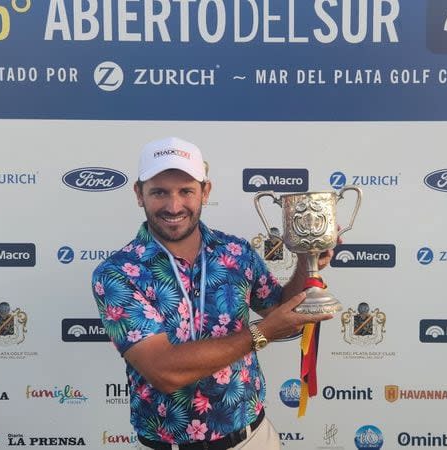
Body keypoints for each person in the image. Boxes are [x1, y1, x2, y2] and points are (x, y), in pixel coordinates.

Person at [91, 137, 336, 450]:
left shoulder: (236, 252)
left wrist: (307, 261)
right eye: (159, 192)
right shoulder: (117, 273)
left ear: (205, 191)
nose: (173, 206)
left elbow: (280, 309)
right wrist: (261, 334)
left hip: (253, 438)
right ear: (139, 194)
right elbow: (164, 370)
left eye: (186, 191)